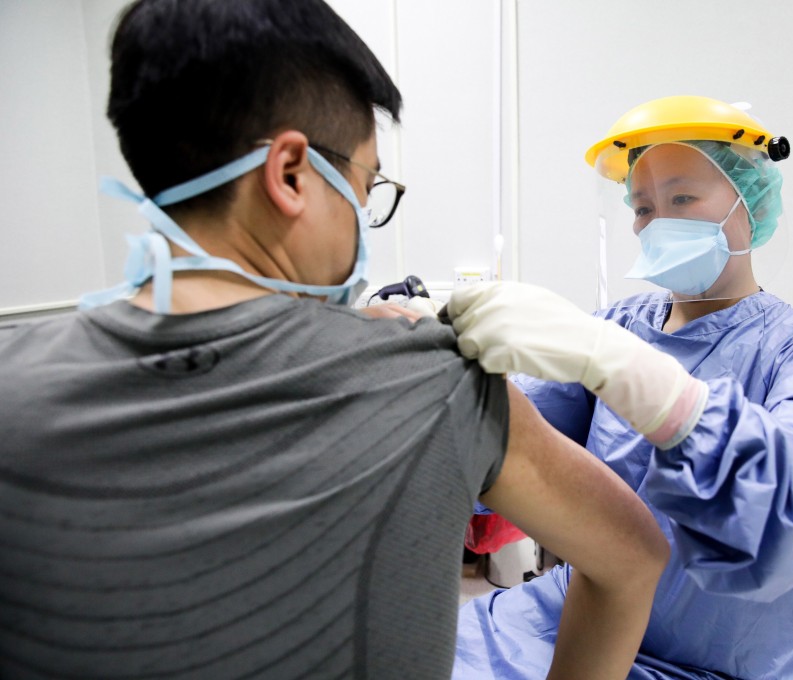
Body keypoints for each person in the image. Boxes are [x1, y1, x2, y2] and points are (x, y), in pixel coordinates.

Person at [0, 3, 670, 678]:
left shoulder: (14, 384)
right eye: (367, 184)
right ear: (291, 174)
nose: (365, 216)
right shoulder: (430, 385)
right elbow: (635, 558)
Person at [448, 96, 793, 680]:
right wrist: (433, 372)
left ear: (750, 204)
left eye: (681, 198)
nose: (655, 221)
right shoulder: (619, 327)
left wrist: (656, 390)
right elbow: (507, 439)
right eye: (643, 206)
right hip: (572, 618)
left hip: (728, 652)